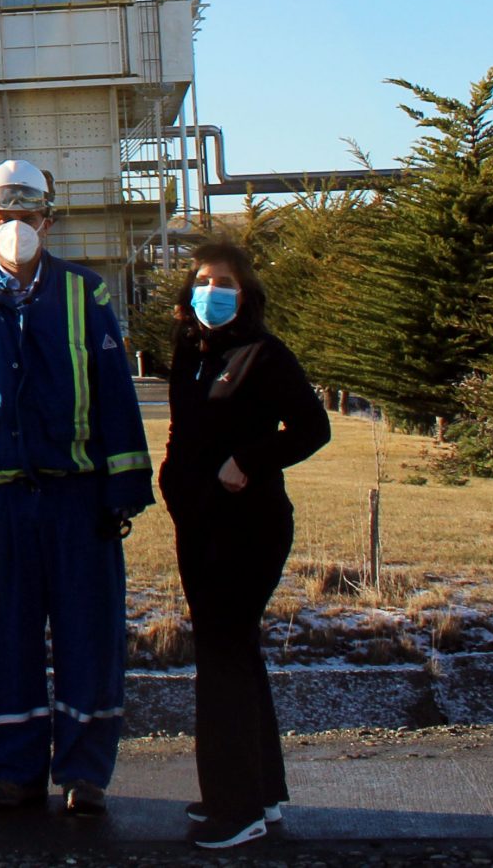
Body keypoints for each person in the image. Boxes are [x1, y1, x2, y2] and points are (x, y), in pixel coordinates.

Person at [0, 159, 153, 818]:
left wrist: (124, 487)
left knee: (91, 634)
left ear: (48, 220)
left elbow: (116, 397)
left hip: (76, 499)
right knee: (3, 639)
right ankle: (12, 771)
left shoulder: (89, 296)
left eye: (29, 216)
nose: (17, 228)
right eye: (6, 217)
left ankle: (86, 773)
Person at [161, 237, 331, 851]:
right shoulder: (191, 351)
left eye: (225, 282)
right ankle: (257, 791)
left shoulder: (265, 354)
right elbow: (186, 429)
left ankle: (237, 810)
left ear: (247, 292)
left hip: (249, 524)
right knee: (232, 651)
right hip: (199, 523)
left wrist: (249, 462)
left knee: (225, 657)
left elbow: (314, 428)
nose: (212, 290)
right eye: (203, 280)